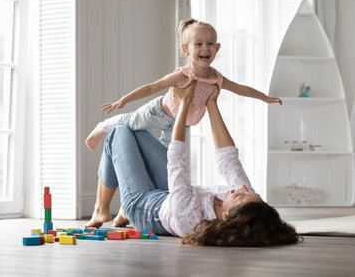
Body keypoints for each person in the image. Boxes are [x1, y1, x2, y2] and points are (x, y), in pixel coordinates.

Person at [85, 81, 300, 247]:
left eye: (240, 195)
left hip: (145, 208)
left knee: (119, 132)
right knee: (136, 130)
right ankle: (119, 211)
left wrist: (185, 105)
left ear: (225, 217)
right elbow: (229, 159)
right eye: (250, 192)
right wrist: (212, 103)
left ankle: (101, 209)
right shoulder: (247, 205)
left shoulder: (189, 218)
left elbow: (177, 159)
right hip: (170, 194)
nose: (242, 188)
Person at [85, 18, 282, 151]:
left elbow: (240, 88)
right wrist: (123, 100)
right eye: (199, 44)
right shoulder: (183, 76)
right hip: (158, 112)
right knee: (128, 122)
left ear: (217, 47)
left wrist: (265, 97)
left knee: (168, 157)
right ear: (185, 49)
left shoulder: (216, 78)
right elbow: (153, 87)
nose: (205, 48)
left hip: (180, 124)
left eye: (210, 43)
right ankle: (101, 128)